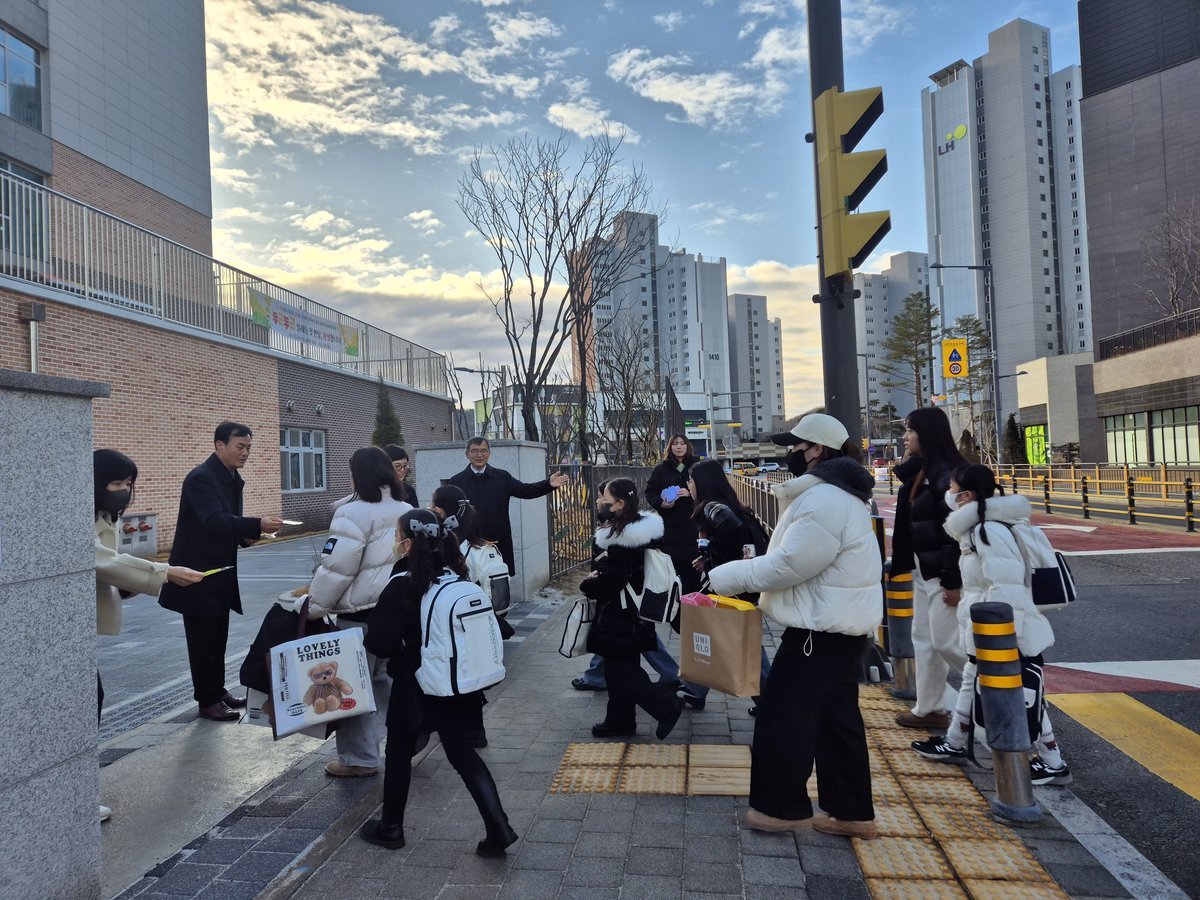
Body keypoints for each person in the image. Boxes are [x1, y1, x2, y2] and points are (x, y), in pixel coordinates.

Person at [708, 414, 881, 839]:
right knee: (836, 721)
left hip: (817, 630)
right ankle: (851, 812)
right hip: (838, 626)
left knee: (783, 715)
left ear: (817, 450)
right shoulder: (841, 497)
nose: (791, 454)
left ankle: (780, 809)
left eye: (796, 446)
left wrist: (726, 577)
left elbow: (790, 564)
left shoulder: (824, 500)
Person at [359, 509, 519, 856]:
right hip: (457, 684)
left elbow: (379, 642)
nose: (394, 541)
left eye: (396, 535)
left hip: (415, 686)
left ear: (406, 543)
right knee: (463, 755)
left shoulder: (404, 583)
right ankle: (499, 828)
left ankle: (391, 827)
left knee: (398, 753)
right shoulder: (455, 575)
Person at [911, 464, 1071, 785]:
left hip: (1004, 632)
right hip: (989, 629)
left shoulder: (988, 532)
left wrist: (999, 636)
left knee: (1024, 694)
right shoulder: (979, 528)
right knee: (971, 681)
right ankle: (955, 741)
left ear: (966, 496)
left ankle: (1053, 761)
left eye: (952, 488)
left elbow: (1005, 587)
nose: (948, 494)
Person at [94, 449, 203, 821]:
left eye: (128, 484)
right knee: (87, 700)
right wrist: (163, 573)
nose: (124, 491)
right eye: (116, 483)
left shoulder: (103, 513)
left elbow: (108, 568)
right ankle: (74, 792)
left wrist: (127, 587)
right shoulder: (75, 512)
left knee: (90, 699)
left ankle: (76, 788)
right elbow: (99, 559)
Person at [159, 422, 283, 721]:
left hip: (220, 573)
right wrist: (255, 524)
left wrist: (245, 537)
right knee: (203, 641)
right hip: (196, 575)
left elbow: (226, 522)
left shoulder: (230, 476)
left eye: (249, 448)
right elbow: (212, 520)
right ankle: (207, 700)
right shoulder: (201, 478)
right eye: (240, 447)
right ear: (219, 445)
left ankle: (216, 690)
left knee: (218, 637)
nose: (245, 453)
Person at [306, 447, 413, 777]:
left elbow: (337, 569)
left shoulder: (351, 513)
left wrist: (314, 607)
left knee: (351, 686)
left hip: (359, 616)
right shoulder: (407, 509)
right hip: (396, 613)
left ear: (358, 475)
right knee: (384, 679)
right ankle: (410, 734)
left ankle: (359, 759)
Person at [582, 478, 684, 740]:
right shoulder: (638, 530)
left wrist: (589, 584)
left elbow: (613, 579)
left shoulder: (622, 539)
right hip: (634, 613)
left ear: (619, 504)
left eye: (604, 498)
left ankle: (666, 707)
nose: (599, 501)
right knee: (618, 670)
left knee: (623, 673)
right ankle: (620, 721)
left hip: (621, 615)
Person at [890, 406, 968, 730]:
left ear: (927, 434)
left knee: (946, 642)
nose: (905, 437)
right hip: (923, 569)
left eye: (910, 431)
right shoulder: (922, 470)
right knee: (923, 638)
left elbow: (954, 535)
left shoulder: (946, 474)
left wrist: (952, 582)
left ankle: (1002, 686)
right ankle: (930, 708)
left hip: (942, 572)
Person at [677, 457, 771, 711]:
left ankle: (769, 701)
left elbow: (731, 529)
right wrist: (709, 557)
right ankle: (696, 689)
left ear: (702, 483)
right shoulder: (726, 504)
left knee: (742, 643)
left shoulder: (711, 507)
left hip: (732, 586)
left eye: (691, 481)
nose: (689, 486)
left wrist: (716, 559)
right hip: (738, 582)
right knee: (717, 633)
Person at [448, 437, 568, 575]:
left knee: (500, 580)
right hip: (468, 543)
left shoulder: (502, 477)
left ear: (489, 453)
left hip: (498, 540)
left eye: (483, 450)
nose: (479, 455)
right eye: (475, 451)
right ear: (467, 454)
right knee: (470, 579)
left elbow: (526, 490)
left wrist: (548, 484)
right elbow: (449, 512)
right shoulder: (456, 482)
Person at [644, 434, 702, 595]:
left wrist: (691, 494)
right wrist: (662, 503)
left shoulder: (696, 467)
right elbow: (650, 492)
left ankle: (691, 603)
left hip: (693, 526)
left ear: (688, 446)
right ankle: (673, 605)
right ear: (670, 447)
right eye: (675, 444)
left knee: (692, 573)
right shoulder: (661, 470)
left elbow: (707, 489)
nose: (679, 447)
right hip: (670, 527)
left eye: (682, 443)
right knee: (671, 572)